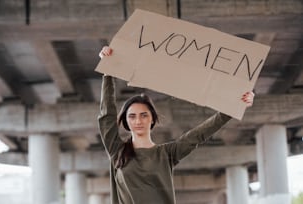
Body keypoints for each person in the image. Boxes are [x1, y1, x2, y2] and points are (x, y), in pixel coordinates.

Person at [98, 46, 254, 204]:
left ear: (152, 119)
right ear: (126, 121)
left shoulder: (167, 153)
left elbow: (199, 134)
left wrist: (234, 105)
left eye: (144, 115)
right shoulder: (117, 151)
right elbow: (106, 117)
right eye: (132, 116)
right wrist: (108, 73)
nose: (138, 121)